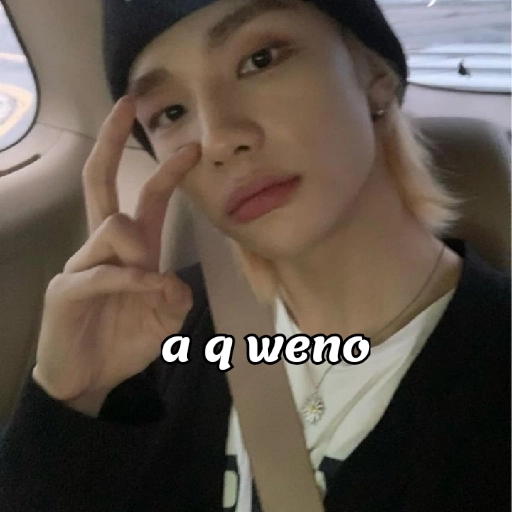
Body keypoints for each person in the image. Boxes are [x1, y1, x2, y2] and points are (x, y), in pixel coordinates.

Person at [0, 0, 510, 511]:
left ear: (375, 76)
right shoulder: (158, 339)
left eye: (260, 60)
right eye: (172, 113)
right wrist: (71, 403)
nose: (219, 139)